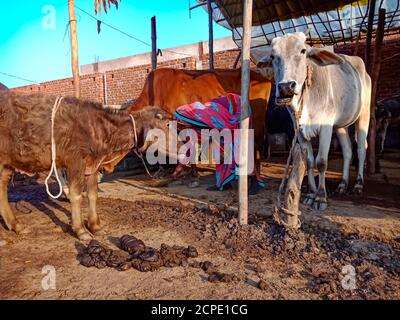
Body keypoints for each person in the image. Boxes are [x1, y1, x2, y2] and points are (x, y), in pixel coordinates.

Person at [173, 93, 264, 194]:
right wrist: (180, 167)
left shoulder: (205, 116)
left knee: (241, 145)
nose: (181, 129)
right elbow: (191, 147)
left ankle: (254, 181)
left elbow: (229, 126)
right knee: (220, 147)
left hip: (238, 109)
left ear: (185, 121)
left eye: (181, 127)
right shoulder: (194, 123)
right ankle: (225, 182)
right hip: (224, 120)